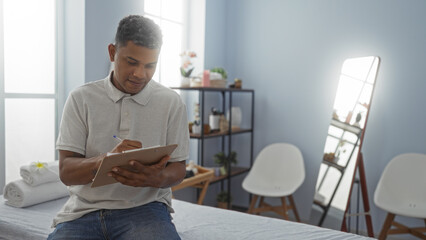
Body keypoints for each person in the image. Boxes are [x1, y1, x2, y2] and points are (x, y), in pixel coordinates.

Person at [48, 15, 189, 240]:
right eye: (132, 62)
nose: (140, 74)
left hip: (146, 209)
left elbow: (179, 167)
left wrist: (157, 179)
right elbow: (66, 172)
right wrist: (105, 161)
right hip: (84, 211)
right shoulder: (81, 98)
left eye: (150, 65)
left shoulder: (171, 102)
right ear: (113, 52)